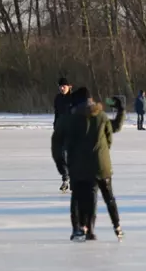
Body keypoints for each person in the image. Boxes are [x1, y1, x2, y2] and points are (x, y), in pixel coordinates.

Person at [51, 87, 125, 242]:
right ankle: (110, 227)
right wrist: (121, 110)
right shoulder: (101, 116)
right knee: (105, 196)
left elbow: (57, 140)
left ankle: (78, 228)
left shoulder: (69, 118)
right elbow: (112, 133)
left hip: (78, 166)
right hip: (101, 165)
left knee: (78, 197)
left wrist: (61, 163)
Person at [53, 77, 73, 193]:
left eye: (64, 86)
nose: (61, 88)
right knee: (62, 155)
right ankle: (65, 179)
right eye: (60, 86)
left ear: (69, 86)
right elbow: (56, 113)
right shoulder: (57, 99)